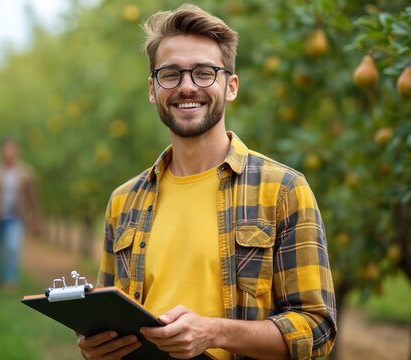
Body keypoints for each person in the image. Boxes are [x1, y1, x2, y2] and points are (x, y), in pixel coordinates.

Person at [77, 5, 336, 360]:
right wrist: (97, 346)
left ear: (230, 86)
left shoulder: (283, 191)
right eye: (170, 74)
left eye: (203, 73)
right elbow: (109, 321)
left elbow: (317, 330)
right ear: (153, 89)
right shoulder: (123, 201)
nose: (186, 87)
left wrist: (213, 332)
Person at [0, 138, 41, 293]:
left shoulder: (25, 172)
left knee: (13, 248)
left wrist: (35, 217)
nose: (9, 152)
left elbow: (32, 197)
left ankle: (11, 280)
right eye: (6, 149)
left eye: (12, 149)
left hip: (16, 217)